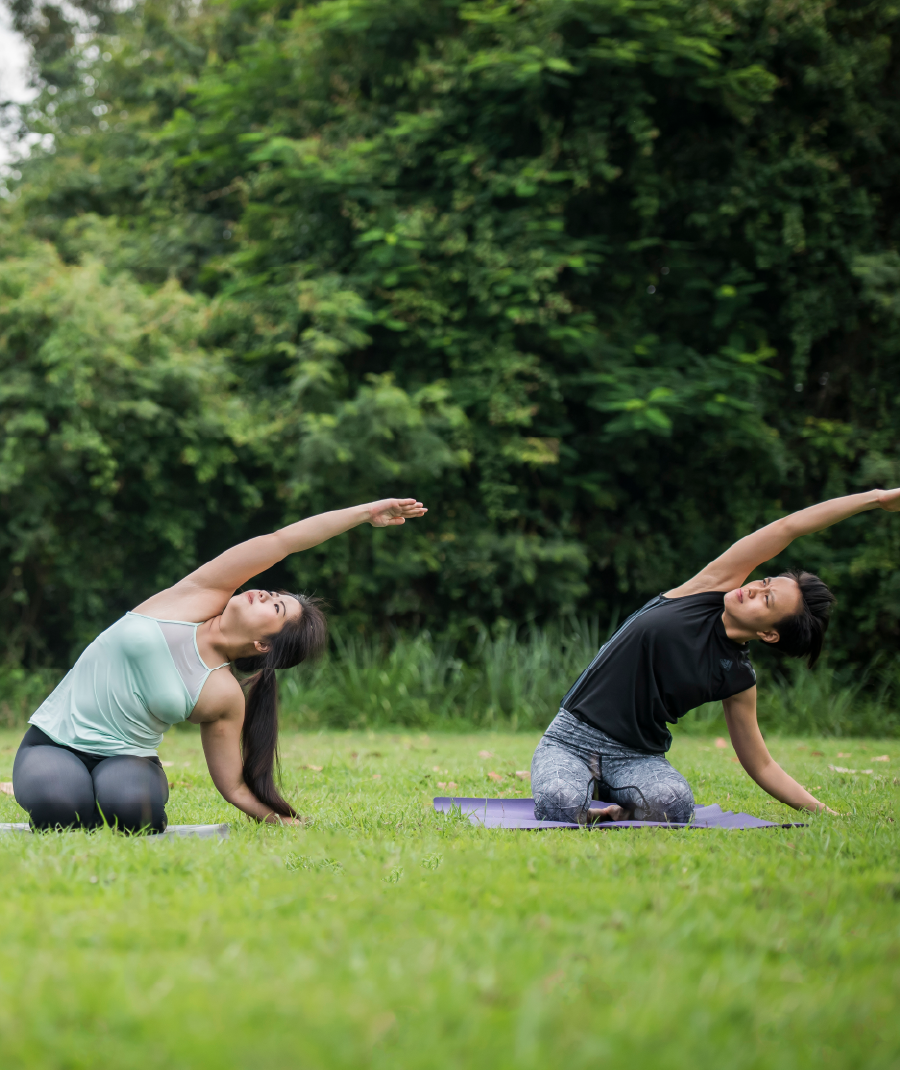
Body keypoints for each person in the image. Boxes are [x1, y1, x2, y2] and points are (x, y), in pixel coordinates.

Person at [13, 498, 427, 832]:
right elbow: (283, 541)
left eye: (276, 606)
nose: (264, 593)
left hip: (128, 759)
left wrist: (281, 820)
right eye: (274, 592)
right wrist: (362, 513)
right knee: (59, 807)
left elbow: (233, 786)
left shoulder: (222, 693)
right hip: (54, 742)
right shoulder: (194, 596)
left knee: (131, 815)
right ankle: (59, 790)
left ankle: (114, 798)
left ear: (263, 644)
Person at [531, 488, 900, 825]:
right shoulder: (709, 586)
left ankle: (612, 799)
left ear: (769, 634)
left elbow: (762, 764)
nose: (754, 588)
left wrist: (824, 812)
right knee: (558, 800)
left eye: (766, 599)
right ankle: (592, 795)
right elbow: (789, 527)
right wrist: (878, 499)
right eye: (765, 582)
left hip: (636, 756)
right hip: (569, 739)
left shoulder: (737, 677)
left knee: (674, 804)